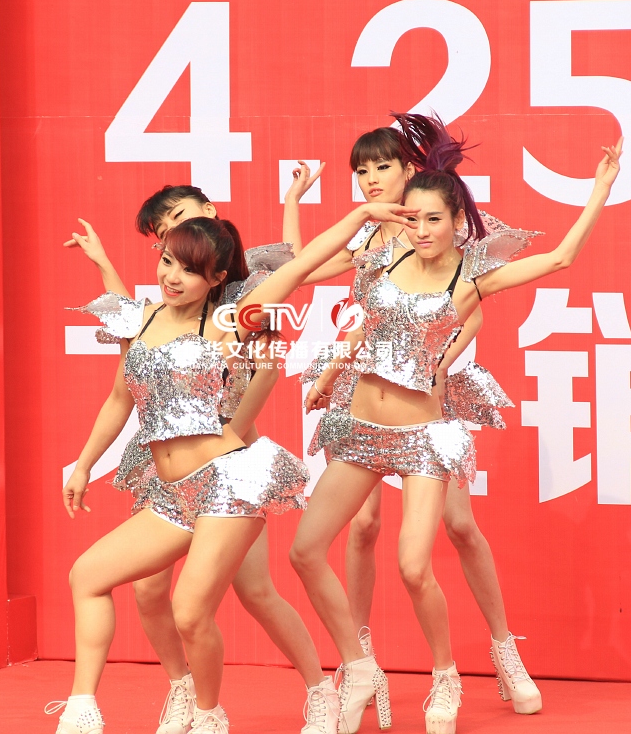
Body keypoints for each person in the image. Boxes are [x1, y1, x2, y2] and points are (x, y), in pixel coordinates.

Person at [288, 114, 622, 733]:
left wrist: (600, 187)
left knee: (420, 561)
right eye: (412, 218)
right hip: (359, 430)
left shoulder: (471, 279)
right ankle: (359, 665)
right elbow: (312, 279)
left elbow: (560, 258)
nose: (420, 229)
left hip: (423, 436)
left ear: (455, 220)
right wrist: (332, 369)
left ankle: (455, 671)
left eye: (433, 220)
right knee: (307, 550)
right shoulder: (380, 255)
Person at [49, 200, 419, 734]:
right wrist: (84, 464)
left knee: (192, 610)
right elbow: (117, 399)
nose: (172, 277)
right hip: (172, 495)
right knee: (87, 576)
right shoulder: (143, 318)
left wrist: (360, 216)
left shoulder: (229, 321)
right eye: (167, 261)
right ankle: (82, 709)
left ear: (217, 279)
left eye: (189, 270)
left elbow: (299, 266)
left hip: (226, 483)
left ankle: (214, 714)